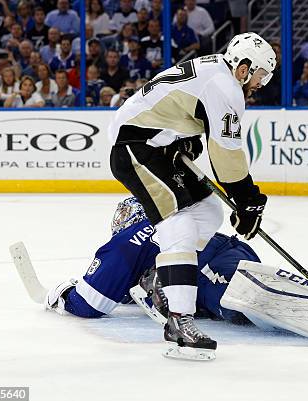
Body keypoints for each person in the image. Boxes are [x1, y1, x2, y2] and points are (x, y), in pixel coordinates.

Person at [107, 32, 276, 358]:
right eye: (259, 75)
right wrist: (248, 199)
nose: (261, 84)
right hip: (136, 147)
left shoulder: (216, 71)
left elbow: (189, 121)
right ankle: (179, 320)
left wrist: (183, 144)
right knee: (179, 222)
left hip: (156, 144)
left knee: (208, 212)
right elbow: (225, 155)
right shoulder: (226, 88)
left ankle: (162, 273)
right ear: (243, 68)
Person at [44, 198, 308, 350]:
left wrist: (63, 296)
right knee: (236, 305)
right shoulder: (153, 234)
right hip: (219, 256)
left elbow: (89, 305)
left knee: (239, 292)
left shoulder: (129, 241)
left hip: (212, 263)